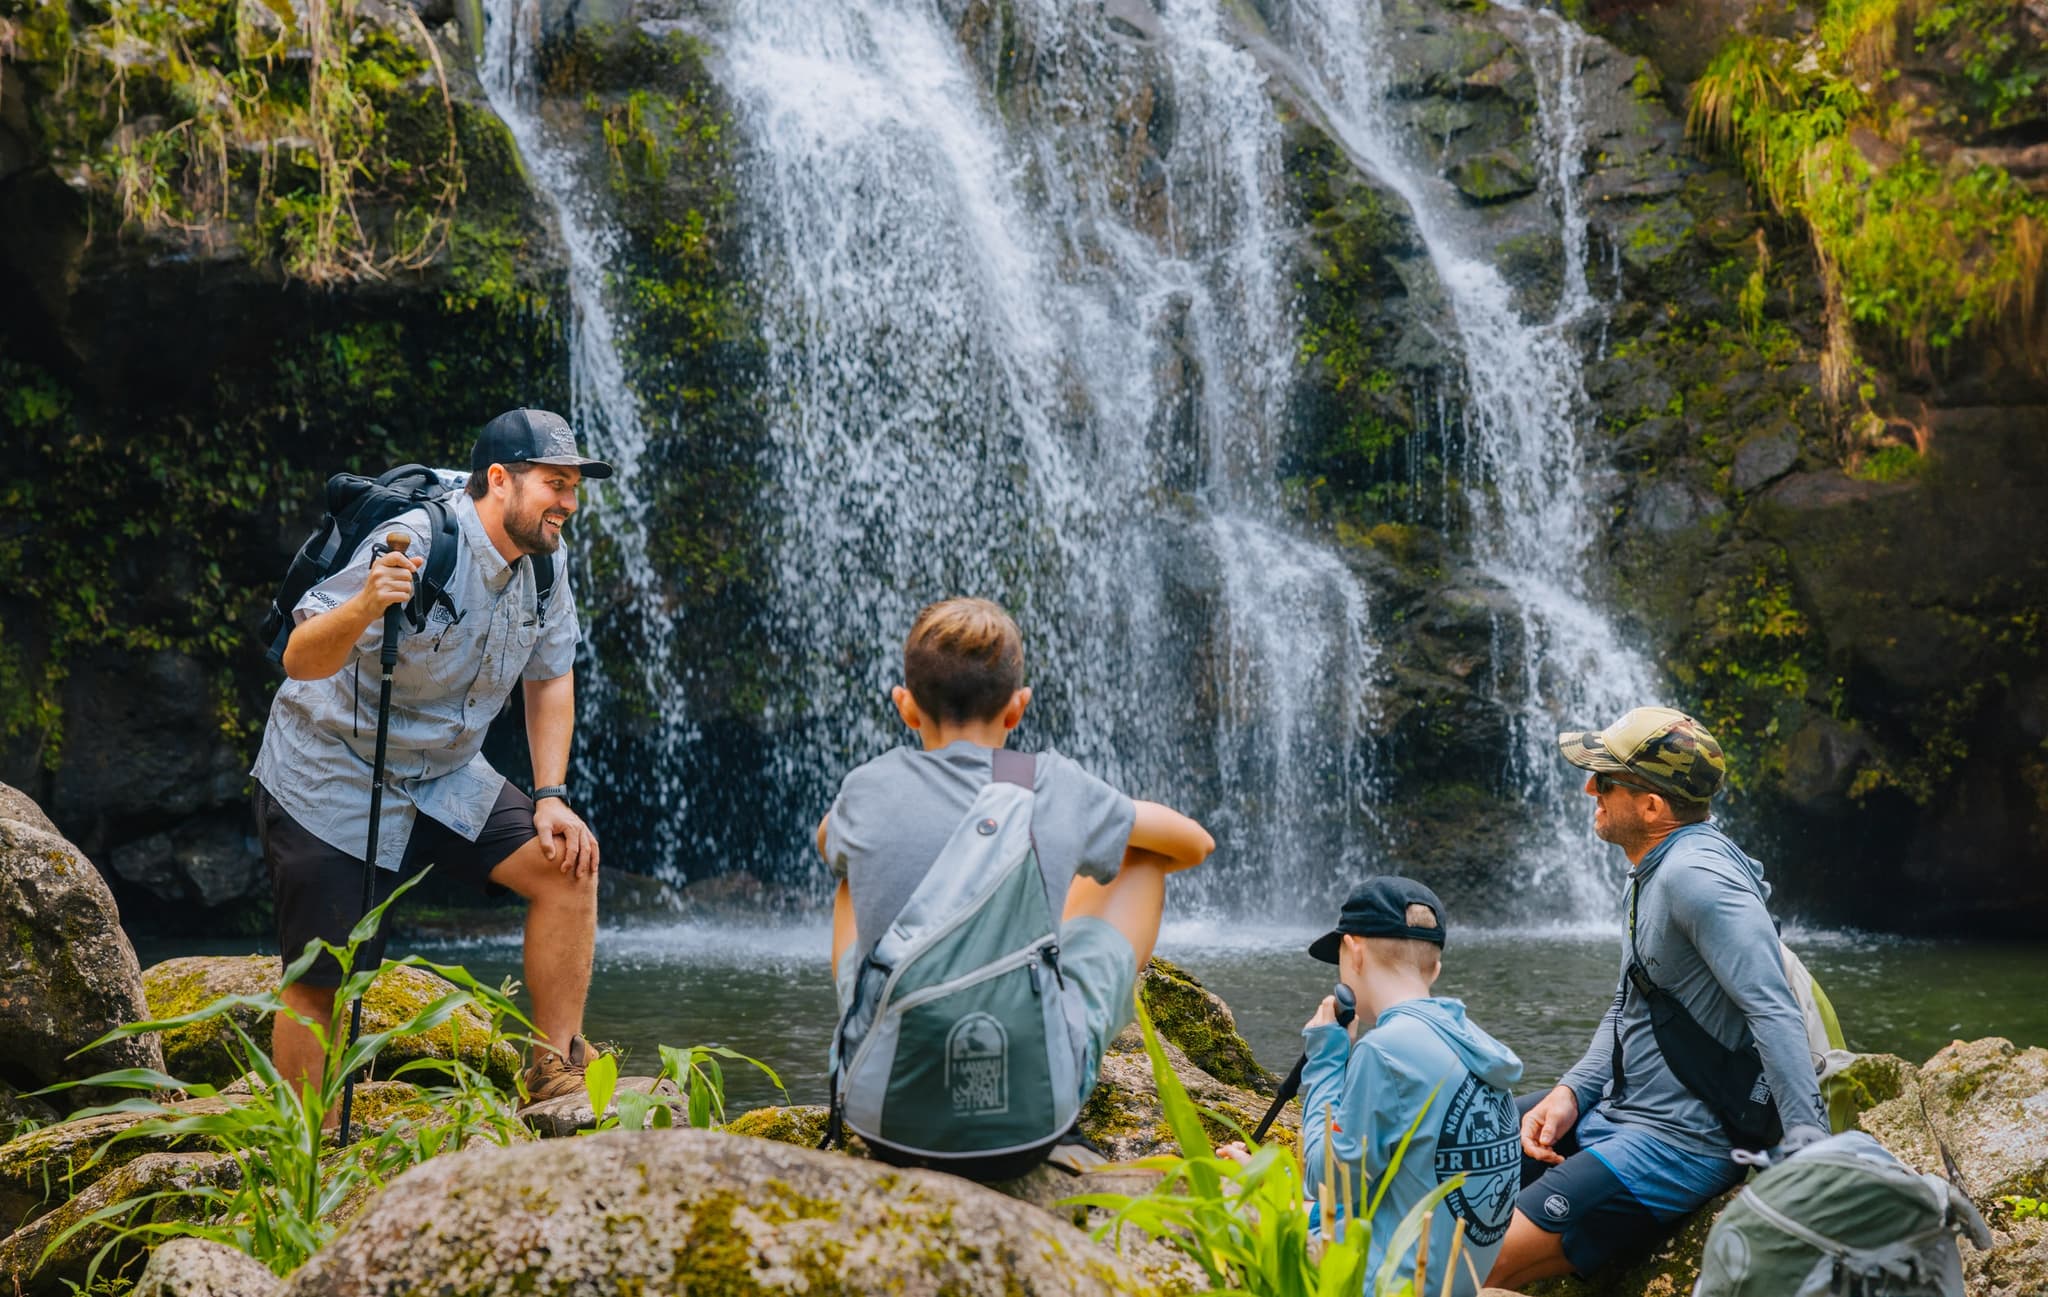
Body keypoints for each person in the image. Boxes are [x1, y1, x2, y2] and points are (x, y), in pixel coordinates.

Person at [251, 407, 610, 1111]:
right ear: (500, 479)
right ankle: (302, 1147)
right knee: (322, 974)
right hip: (332, 767)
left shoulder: (545, 562)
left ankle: (552, 1068)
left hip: (444, 768)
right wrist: (364, 607)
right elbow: (300, 658)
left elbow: (552, 673)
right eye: (555, 483)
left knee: (569, 865)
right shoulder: (418, 539)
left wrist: (550, 793)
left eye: (574, 486)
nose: (568, 502)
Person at [815, 597, 1215, 1147]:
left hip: (884, 1115)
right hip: (1029, 1119)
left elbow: (826, 843)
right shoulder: (1052, 785)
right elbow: (1194, 844)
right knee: (1142, 854)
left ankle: (875, 1048)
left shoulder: (866, 788)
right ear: (1017, 708)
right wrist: (1073, 847)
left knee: (846, 876)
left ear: (906, 708)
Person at [1487, 707, 1829, 1288]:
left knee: (1455, 1264)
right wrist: (1572, 1090)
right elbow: (1631, 1005)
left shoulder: (1697, 876)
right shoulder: (1656, 866)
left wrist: (1810, 1157)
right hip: (1615, 1109)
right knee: (1456, 1143)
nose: (1590, 787)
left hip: (1673, 1142)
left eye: (1607, 779)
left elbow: (1773, 1009)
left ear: (1652, 807)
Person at [1224, 878, 1524, 1297]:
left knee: (1227, 1221)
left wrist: (1328, 1062)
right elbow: (1375, 1187)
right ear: (1434, 968)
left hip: (1387, 1284)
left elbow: (1328, 1184)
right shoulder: (1475, 1044)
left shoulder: (1384, 1051)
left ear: (1356, 952)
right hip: (1451, 1279)